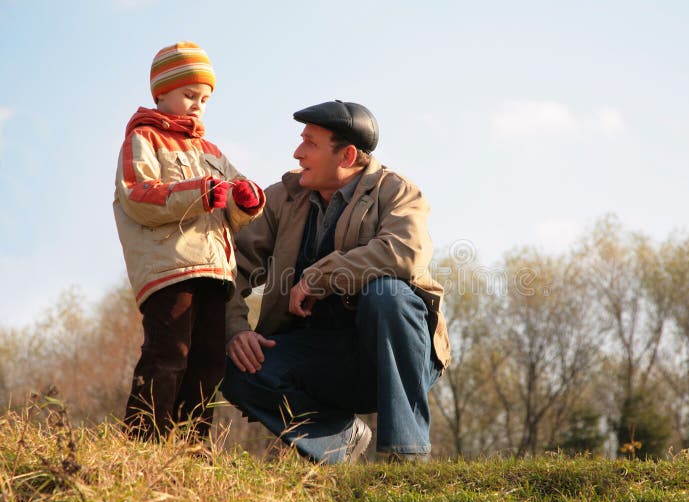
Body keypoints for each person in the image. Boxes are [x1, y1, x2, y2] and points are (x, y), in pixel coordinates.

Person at [221, 100, 451, 463]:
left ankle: (406, 457)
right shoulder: (281, 198)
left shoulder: (397, 192)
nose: (297, 153)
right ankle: (339, 438)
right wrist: (236, 329)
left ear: (346, 156)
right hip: (321, 356)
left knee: (388, 295)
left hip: (397, 357)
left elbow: (405, 251)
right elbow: (231, 267)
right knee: (236, 364)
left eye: (310, 143)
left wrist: (320, 277)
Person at [113, 41, 266, 441]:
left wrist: (246, 201)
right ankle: (142, 441)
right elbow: (137, 193)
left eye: (205, 98)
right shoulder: (143, 139)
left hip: (216, 270)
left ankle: (189, 447)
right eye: (189, 95)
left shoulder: (210, 150)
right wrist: (198, 193)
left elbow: (230, 201)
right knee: (168, 355)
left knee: (209, 361)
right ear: (160, 93)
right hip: (169, 269)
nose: (198, 104)